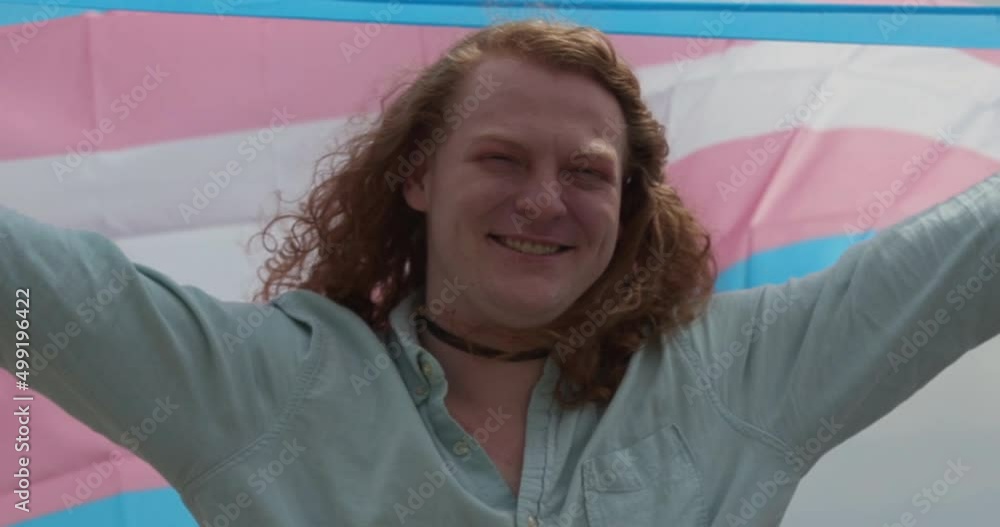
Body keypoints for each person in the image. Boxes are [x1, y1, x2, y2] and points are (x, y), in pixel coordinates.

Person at [2, 19, 998, 527]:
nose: (542, 200)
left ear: (628, 204)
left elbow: (976, 250)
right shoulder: (261, 385)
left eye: (586, 173)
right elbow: (28, 286)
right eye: (500, 159)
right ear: (417, 176)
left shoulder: (740, 372)